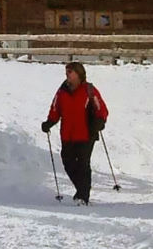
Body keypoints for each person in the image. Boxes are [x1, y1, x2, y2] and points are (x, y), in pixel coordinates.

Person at [42, 61, 110, 204]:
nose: (67, 75)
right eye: (66, 72)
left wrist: (100, 121)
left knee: (83, 164)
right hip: (67, 134)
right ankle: (81, 190)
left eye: (70, 72)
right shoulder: (62, 91)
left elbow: (101, 109)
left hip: (86, 133)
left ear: (79, 74)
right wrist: (49, 122)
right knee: (68, 163)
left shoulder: (89, 90)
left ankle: (83, 196)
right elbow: (55, 109)